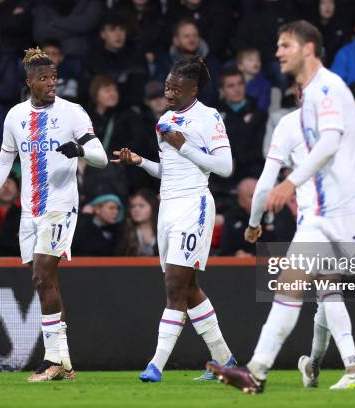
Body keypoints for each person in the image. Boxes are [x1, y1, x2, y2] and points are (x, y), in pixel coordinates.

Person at [208, 20, 355, 395]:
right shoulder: (311, 96)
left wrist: (289, 182)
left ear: (308, 48)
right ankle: (256, 371)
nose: (278, 52)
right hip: (322, 217)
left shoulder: (328, 87)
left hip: (350, 214)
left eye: (285, 45)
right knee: (291, 283)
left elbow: (331, 143)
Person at [0, 48, 108, 382]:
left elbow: (101, 156)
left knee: (42, 275)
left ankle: (50, 361)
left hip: (61, 207)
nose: (51, 84)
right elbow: (4, 162)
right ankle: (66, 363)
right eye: (43, 78)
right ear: (29, 81)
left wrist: (81, 149)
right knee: (47, 283)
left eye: (54, 78)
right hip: (30, 211)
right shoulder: (14, 116)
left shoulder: (72, 112)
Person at [113, 57, 236, 382]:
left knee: (175, 286)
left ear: (193, 89)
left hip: (194, 206)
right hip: (167, 208)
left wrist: (185, 147)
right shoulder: (164, 121)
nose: (168, 92)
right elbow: (169, 171)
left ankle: (156, 365)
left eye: (175, 87)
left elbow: (224, 167)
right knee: (189, 287)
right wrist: (140, 162)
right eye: (167, 86)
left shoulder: (208, 117)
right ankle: (226, 361)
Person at [81, 13, 149, 108]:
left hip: (128, 108)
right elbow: (86, 90)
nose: (118, 34)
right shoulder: (91, 58)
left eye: (122, 29)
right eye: (112, 29)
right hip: (99, 109)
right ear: (102, 34)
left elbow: (139, 90)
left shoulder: (137, 57)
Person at [216, 67, 267, 189]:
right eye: (230, 86)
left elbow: (259, 149)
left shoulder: (259, 114)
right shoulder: (214, 115)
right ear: (222, 90)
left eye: (240, 84)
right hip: (222, 176)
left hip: (252, 172)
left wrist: (235, 158)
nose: (237, 89)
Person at [152, 19, 221, 105]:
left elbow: (216, 92)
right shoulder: (165, 63)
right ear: (176, 40)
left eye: (195, 35)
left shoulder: (211, 63)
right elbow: (162, 91)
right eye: (186, 36)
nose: (191, 39)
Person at [119, 188, 159, 256]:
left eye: (141, 206)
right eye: (133, 206)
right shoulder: (124, 231)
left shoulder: (163, 230)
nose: (136, 209)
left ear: (153, 207)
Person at [236, 48, 273, 112]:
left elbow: (262, 106)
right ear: (240, 66)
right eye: (250, 60)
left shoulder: (265, 84)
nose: (255, 62)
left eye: (258, 60)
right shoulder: (234, 82)